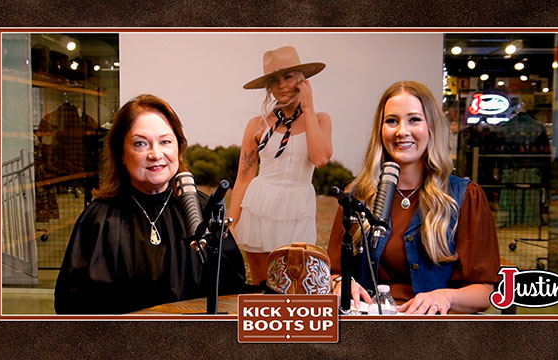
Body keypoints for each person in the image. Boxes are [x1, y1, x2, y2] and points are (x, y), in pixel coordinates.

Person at [54, 94, 245, 314]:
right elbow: (72, 306)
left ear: (178, 148)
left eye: (165, 142)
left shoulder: (205, 212)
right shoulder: (99, 219)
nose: (156, 154)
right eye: (140, 144)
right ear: (122, 155)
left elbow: (232, 292)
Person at [327, 81, 500, 315]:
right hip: (368, 334)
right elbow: (333, 273)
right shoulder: (357, 196)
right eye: (391, 121)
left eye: (414, 120)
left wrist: (445, 296)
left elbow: (485, 292)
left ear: (431, 127)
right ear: (380, 129)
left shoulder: (464, 197)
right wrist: (339, 285)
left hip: (434, 337)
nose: (402, 131)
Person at [229, 46, 333, 287]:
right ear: (269, 88)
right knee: (261, 285)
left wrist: (307, 107)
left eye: (287, 77)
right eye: (274, 81)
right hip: (260, 206)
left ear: (301, 79)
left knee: (295, 287)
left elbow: (320, 158)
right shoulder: (258, 124)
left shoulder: (319, 120)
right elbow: (243, 178)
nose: (282, 85)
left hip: (297, 208)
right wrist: (232, 224)